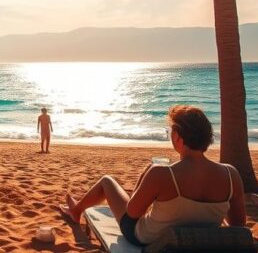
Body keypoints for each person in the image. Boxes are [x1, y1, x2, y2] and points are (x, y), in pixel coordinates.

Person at [60, 105, 246, 247]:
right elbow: (237, 224)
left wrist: (145, 177)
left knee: (107, 181)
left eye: (170, 132)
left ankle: (76, 211)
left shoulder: (162, 174)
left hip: (150, 240)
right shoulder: (231, 174)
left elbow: (132, 213)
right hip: (201, 243)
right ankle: (76, 210)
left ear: (178, 137)